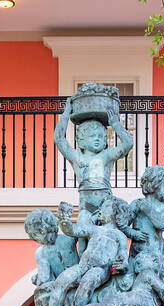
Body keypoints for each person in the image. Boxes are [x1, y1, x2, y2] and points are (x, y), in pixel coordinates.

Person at [53, 96, 133, 253]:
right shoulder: (77, 157)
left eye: (100, 136)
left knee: (110, 239)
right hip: (86, 207)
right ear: (81, 140)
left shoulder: (106, 156)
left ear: (105, 140)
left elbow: (128, 144)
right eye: (92, 136)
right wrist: (66, 113)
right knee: (83, 237)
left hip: (106, 206)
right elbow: (59, 139)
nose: (97, 139)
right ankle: (83, 266)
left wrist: (116, 125)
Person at [45, 197, 133, 306]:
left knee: (87, 282)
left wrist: (122, 264)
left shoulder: (120, 236)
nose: (100, 210)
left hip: (101, 269)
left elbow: (123, 254)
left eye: (105, 206)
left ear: (117, 212)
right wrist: (64, 221)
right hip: (82, 265)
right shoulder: (94, 229)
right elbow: (72, 230)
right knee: (61, 281)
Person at [126, 165, 164, 270]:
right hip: (136, 253)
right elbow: (123, 226)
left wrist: (147, 208)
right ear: (153, 185)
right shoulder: (136, 204)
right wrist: (134, 234)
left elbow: (163, 225)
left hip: (155, 255)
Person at [24, 208, 78, 286]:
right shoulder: (68, 238)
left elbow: (44, 280)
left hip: (63, 286)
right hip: (76, 281)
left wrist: (38, 278)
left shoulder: (40, 253)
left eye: (35, 235)